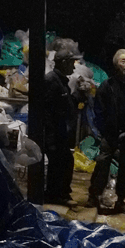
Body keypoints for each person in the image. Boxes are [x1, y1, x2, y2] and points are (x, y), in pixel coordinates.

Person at [87, 48, 125, 214]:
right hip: (110, 133)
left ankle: (121, 200)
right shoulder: (107, 86)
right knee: (103, 163)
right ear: (116, 63)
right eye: (123, 61)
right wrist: (105, 131)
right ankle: (95, 195)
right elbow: (99, 111)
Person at [43, 48, 82, 204]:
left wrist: (79, 95)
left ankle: (61, 194)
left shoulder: (61, 82)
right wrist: (50, 138)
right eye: (72, 63)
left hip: (61, 133)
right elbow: (46, 111)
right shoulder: (50, 81)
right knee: (59, 164)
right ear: (64, 62)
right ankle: (56, 196)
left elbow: (66, 104)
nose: (73, 67)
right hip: (54, 133)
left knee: (64, 162)